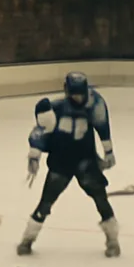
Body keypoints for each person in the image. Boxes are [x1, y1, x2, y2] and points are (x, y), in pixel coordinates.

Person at [17, 71, 119, 257]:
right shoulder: (55, 109)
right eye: (75, 94)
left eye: (81, 93)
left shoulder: (93, 105)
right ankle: (28, 239)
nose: (79, 98)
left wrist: (108, 150)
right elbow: (40, 133)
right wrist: (34, 155)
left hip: (85, 161)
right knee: (46, 202)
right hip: (61, 162)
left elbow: (102, 126)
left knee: (100, 198)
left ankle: (112, 239)